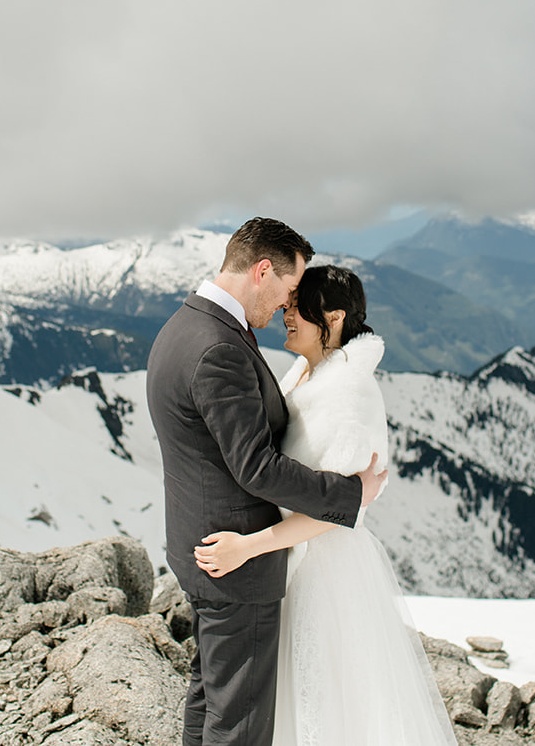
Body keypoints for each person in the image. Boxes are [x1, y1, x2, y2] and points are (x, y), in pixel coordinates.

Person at [147, 218, 389, 746]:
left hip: (204, 546)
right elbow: (255, 467)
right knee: (241, 724)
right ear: (263, 270)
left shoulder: (185, 326)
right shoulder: (220, 347)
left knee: (211, 699)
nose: (287, 304)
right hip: (236, 562)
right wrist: (351, 494)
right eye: (287, 288)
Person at [193, 264, 456, 746]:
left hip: (325, 573)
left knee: (326, 705)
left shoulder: (348, 394)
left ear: (333, 319)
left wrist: (248, 547)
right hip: (296, 566)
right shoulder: (310, 373)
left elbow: (330, 517)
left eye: (298, 305)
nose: (286, 312)